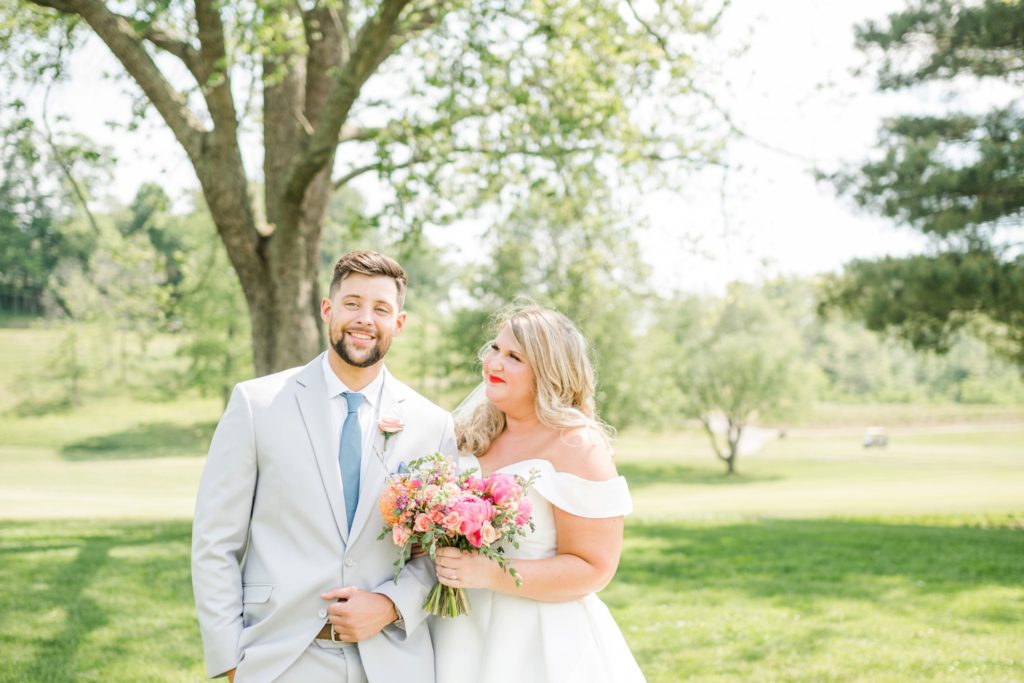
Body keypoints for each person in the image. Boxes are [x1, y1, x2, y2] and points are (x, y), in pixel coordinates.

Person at [192, 251, 456, 683]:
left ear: (399, 323)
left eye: (381, 308)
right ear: (327, 309)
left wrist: (391, 604)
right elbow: (215, 541)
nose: (364, 318)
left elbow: (438, 554)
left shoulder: (432, 425)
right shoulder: (257, 405)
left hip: (392, 662)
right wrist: (230, 660)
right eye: (352, 303)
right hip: (279, 659)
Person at [429, 303, 646, 682]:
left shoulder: (577, 444)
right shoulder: (470, 435)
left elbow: (595, 568)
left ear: (548, 371)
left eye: (514, 357)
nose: (494, 363)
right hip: (458, 632)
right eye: (495, 349)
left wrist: (490, 573)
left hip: (540, 643)